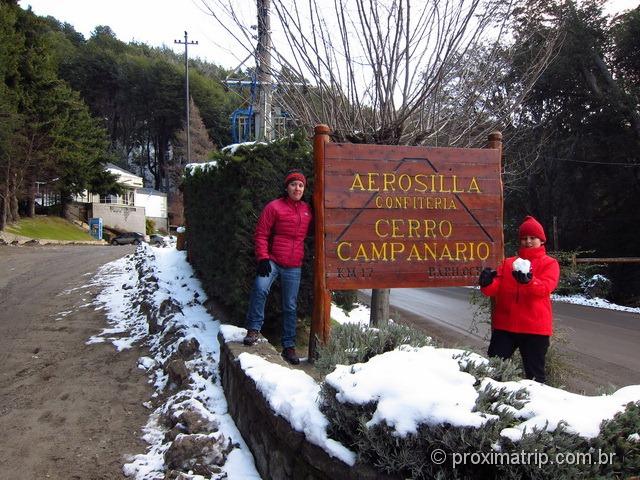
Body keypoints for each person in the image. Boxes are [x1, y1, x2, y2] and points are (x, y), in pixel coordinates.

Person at [243, 169, 313, 365]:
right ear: (286, 187)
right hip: (273, 260)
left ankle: (288, 347)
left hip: (294, 265)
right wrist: (263, 258)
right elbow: (261, 234)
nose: (297, 188)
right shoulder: (274, 207)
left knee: (290, 306)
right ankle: (254, 329)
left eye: (300, 185)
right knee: (259, 288)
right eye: (293, 184)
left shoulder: (308, 211)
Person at [478, 215, 560, 383]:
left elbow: (545, 288)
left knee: (535, 377)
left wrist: (529, 281)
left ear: (541, 240)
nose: (528, 241)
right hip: (506, 327)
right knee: (493, 371)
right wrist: (486, 283)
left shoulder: (549, 264)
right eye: (524, 238)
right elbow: (494, 289)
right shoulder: (508, 263)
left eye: (532, 238)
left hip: (535, 329)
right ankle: (492, 402)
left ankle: (535, 406)